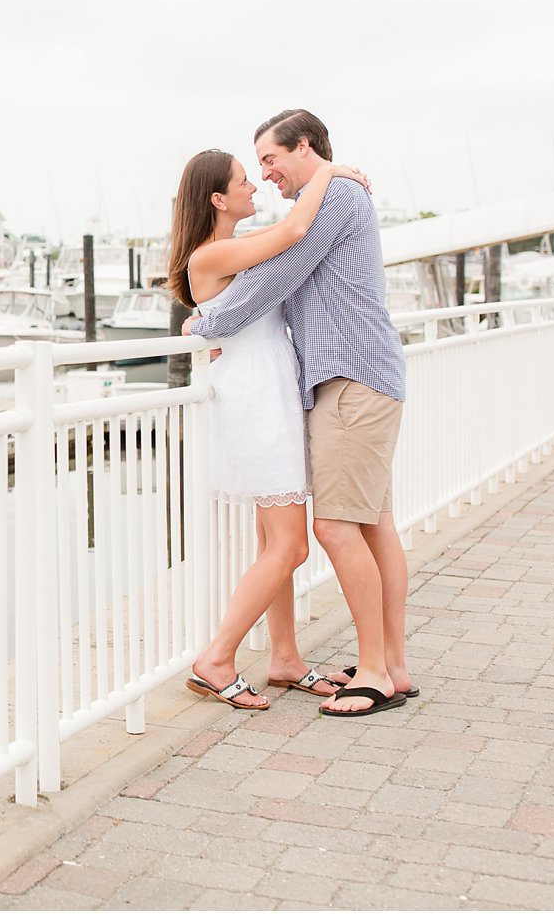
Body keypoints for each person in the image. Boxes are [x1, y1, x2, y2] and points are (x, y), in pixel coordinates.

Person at [186, 109, 411, 717]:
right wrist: (213, 323)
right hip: (327, 383)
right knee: (364, 524)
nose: (263, 176)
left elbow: (275, 278)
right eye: (251, 169)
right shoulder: (323, 194)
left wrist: (209, 323)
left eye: (268, 159)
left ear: (303, 146)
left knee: (336, 528)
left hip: (349, 378)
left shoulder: (333, 194)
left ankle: (376, 671)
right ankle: (381, 664)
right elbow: (274, 281)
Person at [167, 150, 370, 711]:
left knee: (271, 541)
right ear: (217, 199)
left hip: (267, 391)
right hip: (255, 399)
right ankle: (215, 659)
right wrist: (328, 170)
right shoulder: (214, 253)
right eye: (241, 181)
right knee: (290, 545)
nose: (253, 186)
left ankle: (285, 657)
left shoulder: (229, 251)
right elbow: (297, 228)